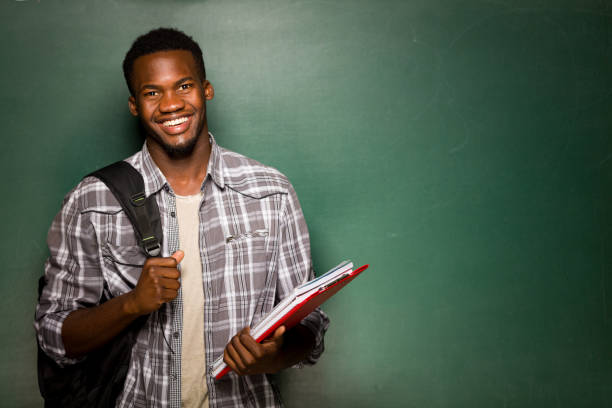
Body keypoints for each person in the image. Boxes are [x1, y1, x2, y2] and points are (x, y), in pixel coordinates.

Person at [35, 27, 329, 408]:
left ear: (206, 89)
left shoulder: (270, 192)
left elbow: (310, 328)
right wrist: (131, 304)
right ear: (133, 105)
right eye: (152, 92)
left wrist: (272, 356)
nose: (171, 104)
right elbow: (54, 335)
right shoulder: (93, 200)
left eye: (184, 86)